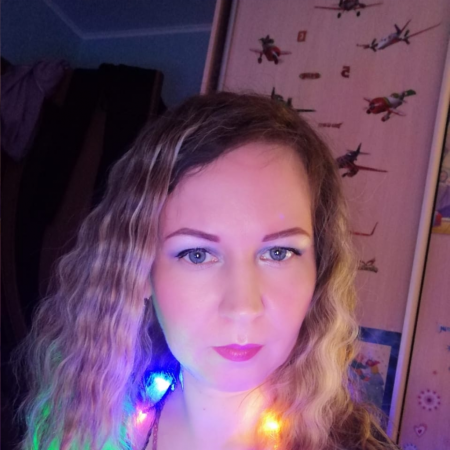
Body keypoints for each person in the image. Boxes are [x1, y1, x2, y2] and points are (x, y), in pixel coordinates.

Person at [17, 92, 398, 450]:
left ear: (320, 269)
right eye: (197, 254)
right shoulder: (81, 431)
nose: (243, 307)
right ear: (140, 270)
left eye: (279, 252)